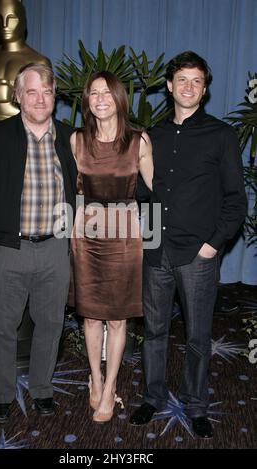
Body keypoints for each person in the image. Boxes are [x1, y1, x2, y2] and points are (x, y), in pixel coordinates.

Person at [129, 51, 247, 438]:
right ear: (169, 85)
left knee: (197, 336)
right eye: (182, 79)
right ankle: (152, 397)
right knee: (155, 331)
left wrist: (213, 245)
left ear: (205, 88)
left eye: (197, 81)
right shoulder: (153, 135)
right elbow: (145, 193)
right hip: (156, 249)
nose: (189, 87)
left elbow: (236, 200)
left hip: (198, 254)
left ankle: (196, 406)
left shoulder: (221, 135)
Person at [0, 63, 77, 422]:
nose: (40, 98)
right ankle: (0, 395)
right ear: (18, 96)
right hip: (6, 249)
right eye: (32, 91)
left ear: (54, 95)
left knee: (51, 325)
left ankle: (42, 390)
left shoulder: (70, 137)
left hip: (56, 248)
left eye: (46, 91)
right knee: (1, 327)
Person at [69, 70, 153, 423]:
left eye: (106, 92)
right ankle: (96, 376)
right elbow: (75, 193)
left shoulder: (139, 141)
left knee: (118, 319)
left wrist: (151, 238)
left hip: (124, 235)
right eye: (93, 93)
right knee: (89, 315)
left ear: (119, 98)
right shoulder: (77, 141)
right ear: (87, 101)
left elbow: (155, 194)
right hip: (86, 235)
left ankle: (110, 387)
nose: (100, 98)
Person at [0, 0, 51, 122]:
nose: (5, 25)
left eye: (11, 18)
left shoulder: (39, 62)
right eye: (0, 18)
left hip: (25, 137)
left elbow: (42, 111)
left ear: (23, 22)